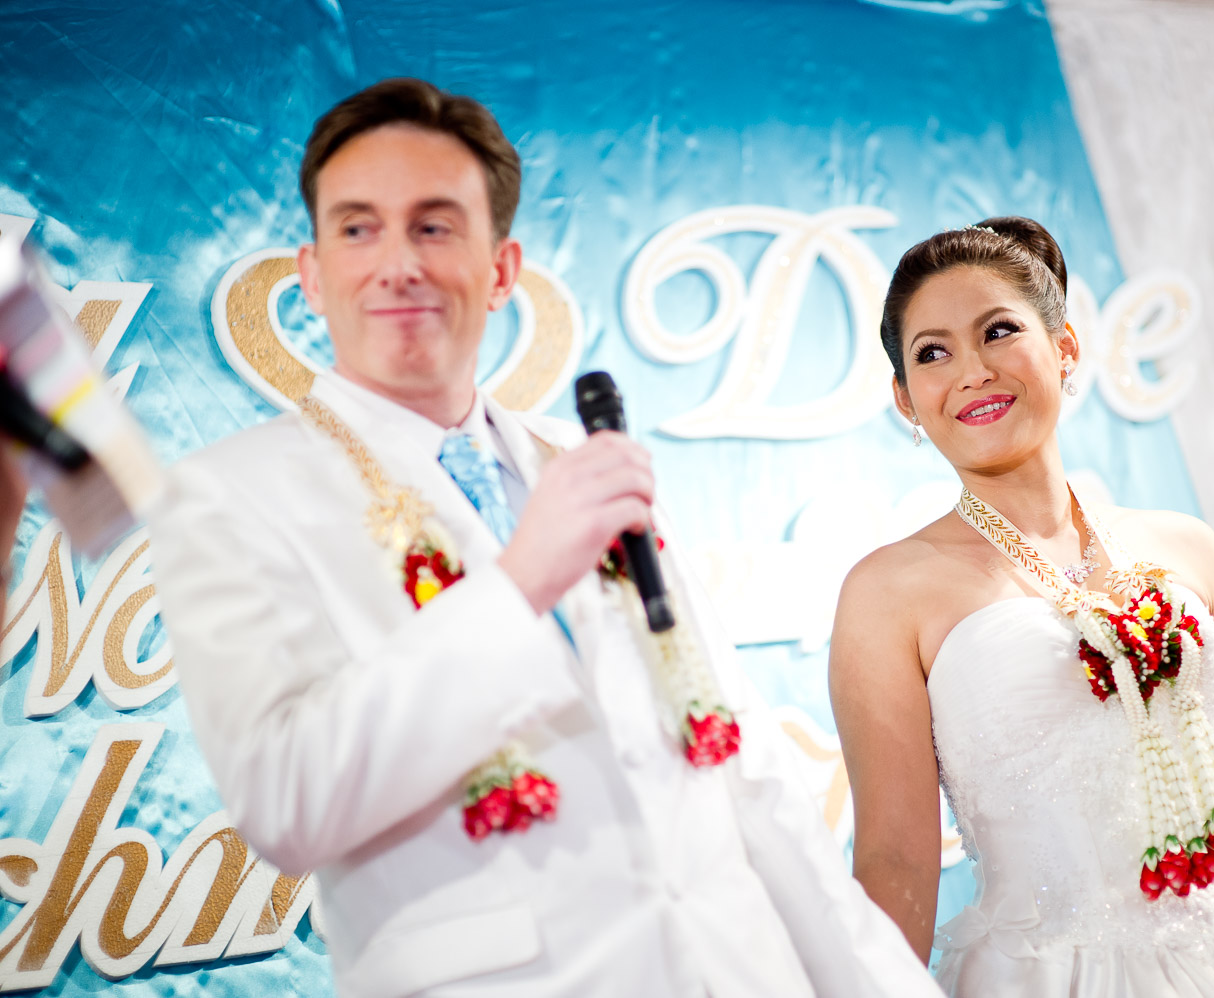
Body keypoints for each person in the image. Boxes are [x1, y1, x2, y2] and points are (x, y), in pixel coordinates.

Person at [148, 78, 943, 998]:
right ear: (313, 275)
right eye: (358, 228)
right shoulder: (228, 495)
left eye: (434, 226)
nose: (397, 263)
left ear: (500, 271)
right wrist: (521, 579)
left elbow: (746, 769)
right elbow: (286, 801)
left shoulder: (581, 462)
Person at [829, 217, 1214, 998]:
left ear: (1065, 348)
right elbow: (895, 860)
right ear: (905, 399)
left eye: (999, 331)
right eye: (933, 353)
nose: (973, 371)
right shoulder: (887, 592)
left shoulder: (1184, 545)